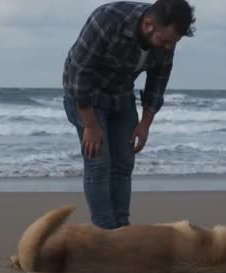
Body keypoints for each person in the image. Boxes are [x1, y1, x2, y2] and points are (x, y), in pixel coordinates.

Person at [62, 0, 195, 229]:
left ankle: (122, 230)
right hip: (86, 97)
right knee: (98, 164)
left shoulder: (167, 39)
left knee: (123, 164)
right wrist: (91, 126)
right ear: (148, 24)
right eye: (164, 41)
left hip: (121, 96)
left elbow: (157, 82)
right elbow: (78, 75)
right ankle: (105, 231)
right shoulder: (107, 20)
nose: (167, 47)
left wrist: (145, 124)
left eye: (172, 43)